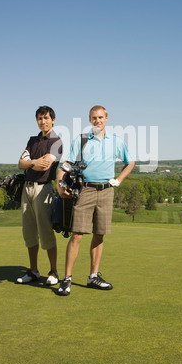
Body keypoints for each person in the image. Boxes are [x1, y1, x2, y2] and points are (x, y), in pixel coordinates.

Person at [57, 105, 135, 296]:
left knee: (99, 234)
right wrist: (60, 184)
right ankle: (66, 279)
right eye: (94, 118)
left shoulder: (115, 141)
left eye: (100, 117)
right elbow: (66, 163)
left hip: (107, 191)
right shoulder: (82, 140)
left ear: (107, 118)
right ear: (90, 120)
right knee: (77, 235)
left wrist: (119, 179)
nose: (97, 120)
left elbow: (130, 161)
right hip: (85, 190)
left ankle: (93, 277)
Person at [16, 106, 63, 285]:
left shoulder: (56, 141)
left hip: (43, 189)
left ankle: (53, 272)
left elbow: (46, 166)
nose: (42, 121)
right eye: (39, 118)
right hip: (26, 189)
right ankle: (33, 271)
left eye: (46, 118)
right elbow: (21, 163)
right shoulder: (32, 140)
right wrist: (33, 162)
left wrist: (31, 163)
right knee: (29, 232)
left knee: (45, 232)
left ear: (53, 120)